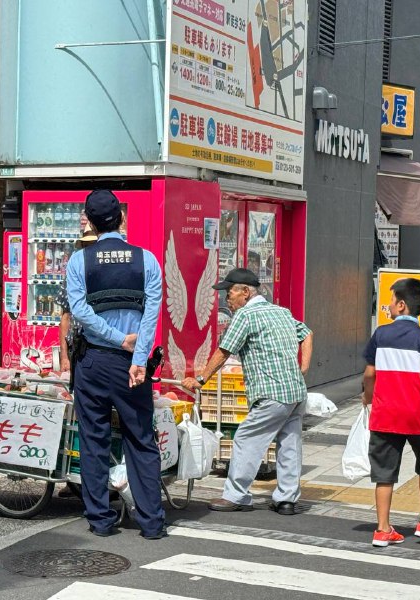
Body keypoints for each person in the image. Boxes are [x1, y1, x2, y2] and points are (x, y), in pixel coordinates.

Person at [66, 189, 166, 540]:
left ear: (90, 222)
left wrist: (113, 337)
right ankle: (152, 523)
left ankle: (101, 520)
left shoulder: (79, 261)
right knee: (140, 439)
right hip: (131, 366)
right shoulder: (147, 260)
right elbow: (152, 312)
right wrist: (137, 357)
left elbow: (78, 310)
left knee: (94, 439)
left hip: (93, 362)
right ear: (122, 219)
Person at [183, 268, 313, 516]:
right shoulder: (281, 312)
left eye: (229, 292)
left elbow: (224, 352)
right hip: (296, 392)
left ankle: (236, 496)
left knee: (246, 439)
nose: (226, 299)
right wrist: (303, 368)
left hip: (271, 393)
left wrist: (201, 379)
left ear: (245, 292)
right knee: (289, 443)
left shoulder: (245, 315)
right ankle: (287, 499)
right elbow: (306, 334)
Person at [362, 278, 420, 547]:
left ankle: (382, 528)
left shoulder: (380, 334)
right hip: (417, 414)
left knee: (384, 471)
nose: (387, 306)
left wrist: (367, 398)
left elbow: (369, 374)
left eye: (390, 301)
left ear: (401, 305)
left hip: (385, 413)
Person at [57, 223, 98, 374]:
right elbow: (65, 317)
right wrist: (64, 356)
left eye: (93, 244)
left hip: (100, 346)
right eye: (87, 245)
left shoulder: (107, 275)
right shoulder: (72, 276)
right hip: (76, 345)